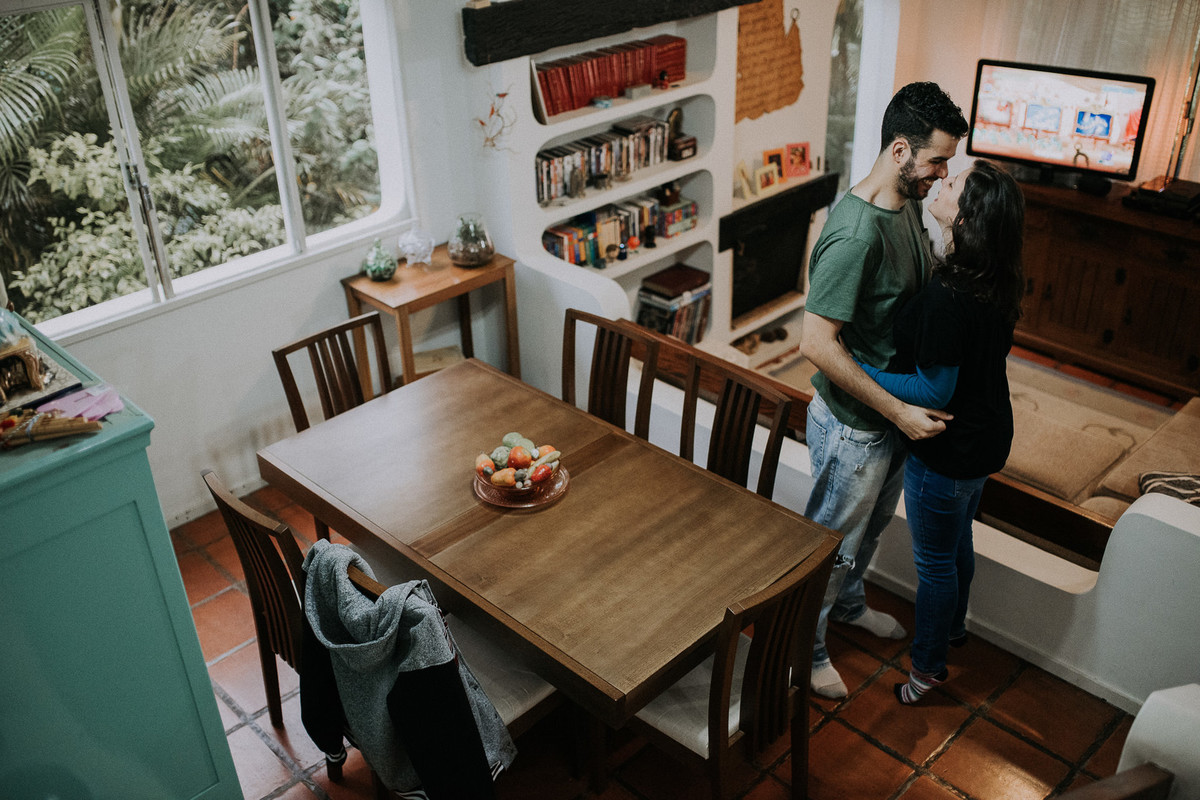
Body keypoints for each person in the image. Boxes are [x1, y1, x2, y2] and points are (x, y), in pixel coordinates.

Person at [800, 81, 968, 700]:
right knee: (831, 545)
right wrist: (897, 409)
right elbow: (816, 344)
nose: (942, 174)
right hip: (854, 423)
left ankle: (847, 609)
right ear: (901, 151)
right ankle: (805, 650)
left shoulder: (906, 207)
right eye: (937, 161)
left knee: (866, 536)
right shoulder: (856, 234)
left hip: (890, 416)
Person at [858, 159, 1024, 703]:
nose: (941, 181)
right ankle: (954, 629)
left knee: (933, 564)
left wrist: (862, 369)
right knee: (958, 543)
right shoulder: (997, 277)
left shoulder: (947, 298)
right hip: (988, 437)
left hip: (949, 451)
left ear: (966, 216)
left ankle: (927, 668)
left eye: (953, 184)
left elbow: (932, 393)